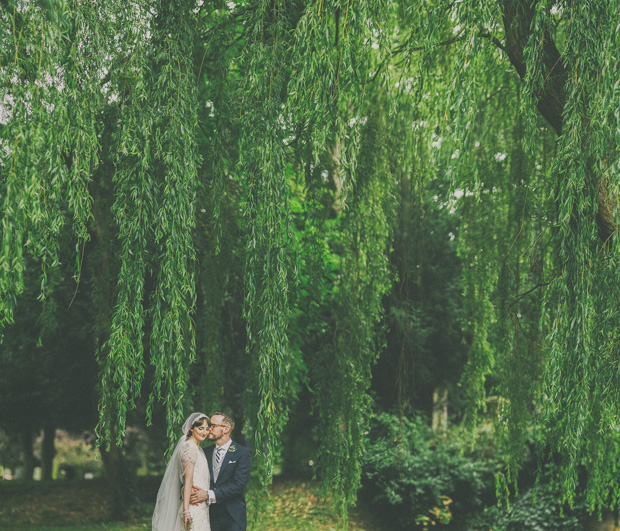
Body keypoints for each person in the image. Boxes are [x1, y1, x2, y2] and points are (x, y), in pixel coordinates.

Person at [190, 412, 252, 531]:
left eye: (212, 425)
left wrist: (208, 494)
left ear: (226, 429)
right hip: (208, 515)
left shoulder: (242, 453)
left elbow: (239, 485)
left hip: (232, 516)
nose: (209, 429)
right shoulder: (203, 452)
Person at [153, 412, 212, 531]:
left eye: (207, 429)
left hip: (202, 505)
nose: (204, 432)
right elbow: (188, 480)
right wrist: (186, 512)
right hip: (193, 507)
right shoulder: (189, 447)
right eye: (200, 428)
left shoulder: (198, 449)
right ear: (191, 428)